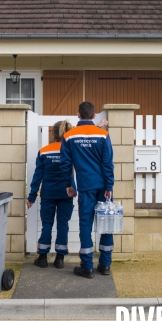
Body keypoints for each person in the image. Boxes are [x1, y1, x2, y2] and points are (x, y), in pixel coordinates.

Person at [60, 101, 114, 279]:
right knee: (106, 224)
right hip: (103, 187)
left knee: (85, 225)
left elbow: (66, 165)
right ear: (94, 115)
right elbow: (107, 163)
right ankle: (105, 265)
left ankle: (87, 266)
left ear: (78, 115)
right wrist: (109, 186)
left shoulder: (69, 136)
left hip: (85, 187)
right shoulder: (103, 135)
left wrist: (69, 185)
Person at [26, 120, 75, 269]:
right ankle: (60, 258)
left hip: (48, 194)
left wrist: (32, 196)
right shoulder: (71, 150)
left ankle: (42, 257)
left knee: (47, 224)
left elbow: (37, 176)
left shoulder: (44, 151)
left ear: (52, 133)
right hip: (67, 193)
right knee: (63, 224)